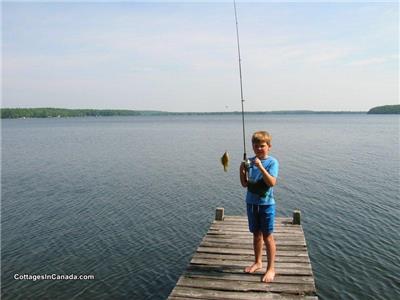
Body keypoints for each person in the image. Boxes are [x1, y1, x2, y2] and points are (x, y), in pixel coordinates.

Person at [239, 131, 279, 283]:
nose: (258, 149)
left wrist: (261, 167)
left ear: (269, 146)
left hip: (266, 205)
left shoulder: (272, 162)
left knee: (267, 236)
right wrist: (242, 170)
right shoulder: (249, 162)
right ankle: (258, 262)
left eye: (262, 146)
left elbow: (272, 183)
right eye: (255, 146)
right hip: (251, 203)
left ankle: (271, 268)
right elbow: (244, 184)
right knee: (256, 234)